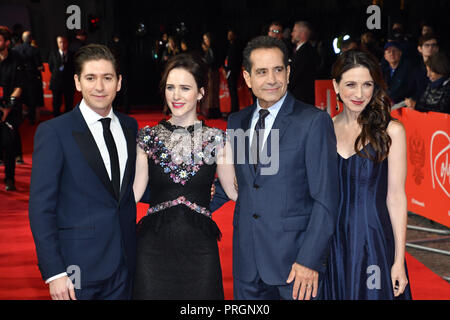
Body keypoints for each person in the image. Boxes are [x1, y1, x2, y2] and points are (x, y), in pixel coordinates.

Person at [211, 36, 339, 300]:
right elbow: (241, 184)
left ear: (288, 72)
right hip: (247, 264)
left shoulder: (313, 122)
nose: (271, 79)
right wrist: (174, 200)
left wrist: (309, 260)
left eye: (278, 70)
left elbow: (326, 199)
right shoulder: (237, 122)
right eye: (262, 72)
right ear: (247, 77)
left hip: (295, 267)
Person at [29, 44, 139, 300]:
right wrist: (55, 272)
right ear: (78, 82)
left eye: (107, 78)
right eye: (90, 78)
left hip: (125, 265)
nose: (99, 87)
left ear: (119, 82)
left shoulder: (130, 126)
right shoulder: (54, 132)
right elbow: (41, 207)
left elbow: (128, 187)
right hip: (77, 271)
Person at [132, 53, 237, 299]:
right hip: (153, 250)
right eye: (170, 87)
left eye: (184, 88)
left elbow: (234, 191)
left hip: (200, 249)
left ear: (200, 93)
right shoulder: (147, 138)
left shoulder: (217, 139)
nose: (176, 96)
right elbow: (135, 193)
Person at [325, 49, 412, 300]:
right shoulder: (324, 129)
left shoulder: (391, 131)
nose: (360, 94)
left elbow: (396, 197)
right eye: (351, 85)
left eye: (367, 85)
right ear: (336, 86)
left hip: (373, 239)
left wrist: (398, 260)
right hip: (332, 241)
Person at [0, 26, 24, 191]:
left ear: (7, 42)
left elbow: (19, 85)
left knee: (9, 144)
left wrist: (9, 106)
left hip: (10, 109)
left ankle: (10, 178)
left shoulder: (16, 58)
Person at [13, 31, 44, 124]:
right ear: (31, 39)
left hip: (19, 79)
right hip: (32, 79)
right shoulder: (35, 50)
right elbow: (39, 66)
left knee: (20, 99)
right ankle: (31, 119)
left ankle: (20, 118)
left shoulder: (15, 50)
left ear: (22, 39)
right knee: (32, 99)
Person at [405, 34, 439, 107]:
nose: (430, 48)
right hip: (417, 107)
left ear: (437, 49)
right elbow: (409, 91)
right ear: (420, 49)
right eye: (427, 45)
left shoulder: (443, 69)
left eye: (433, 45)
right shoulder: (414, 69)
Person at [289, 21, 318, 105]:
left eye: (294, 31)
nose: (292, 34)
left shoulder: (305, 52)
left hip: (301, 99)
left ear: (302, 33)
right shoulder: (300, 51)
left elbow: (295, 75)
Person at [48, 35, 75, 117]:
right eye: (60, 42)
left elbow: (74, 68)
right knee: (56, 103)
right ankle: (57, 120)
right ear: (57, 43)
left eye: (64, 42)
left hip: (69, 83)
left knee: (69, 103)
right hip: (56, 83)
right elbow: (51, 67)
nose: (62, 44)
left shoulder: (72, 54)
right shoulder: (53, 54)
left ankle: (69, 119)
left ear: (67, 43)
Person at [201, 32, 221, 118]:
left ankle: (212, 112)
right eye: (204, 39)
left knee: (211, 92)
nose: (205, 41)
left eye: (206, 39)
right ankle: (213, 111)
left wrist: (204, 61)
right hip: (212, 72)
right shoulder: (210, 49)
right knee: (212, 92)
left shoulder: (211, 49)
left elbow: (211, 61)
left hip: (212, 72)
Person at [223, 28, 241, 115]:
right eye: (228, 34)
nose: (229, 36)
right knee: (231, 92)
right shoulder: (229, 46)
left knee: (233, 92)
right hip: (229, 71)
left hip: (233, 72)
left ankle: (234, 110)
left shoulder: (235, 46)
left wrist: (228, 69)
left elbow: (234, 60)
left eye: (231, 34)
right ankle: (233, 110)